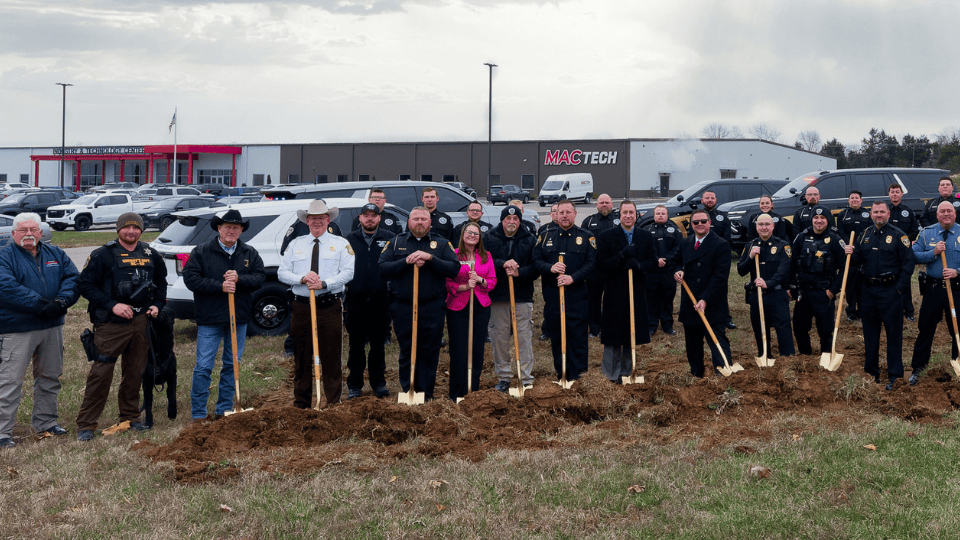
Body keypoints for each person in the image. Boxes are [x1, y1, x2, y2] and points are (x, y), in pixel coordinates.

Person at [76, 212, 167, 441]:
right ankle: (86, 424)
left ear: (141, 230)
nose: (131, 232)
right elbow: (85, 285)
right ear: (118, 230)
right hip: (111, 323)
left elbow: (161, 283)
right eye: (126, 227)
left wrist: (157, 305)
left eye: (136, 228)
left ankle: (130, 417)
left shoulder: (150, 254)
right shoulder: (102, 255)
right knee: (101, 373)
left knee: (135, 371)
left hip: (141, 322)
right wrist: (112, 305)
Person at [0, 213, 79, 448]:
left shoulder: (56, 254)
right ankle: (2, 431)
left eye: (33, 229)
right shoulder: (4, 256)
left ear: (40, 232)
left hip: (52, 326)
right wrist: (40, 304)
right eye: (23, 230)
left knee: (50, 376)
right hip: (17, 329)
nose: (29, 234)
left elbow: (73, 278)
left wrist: (62, 301)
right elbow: (6, 287)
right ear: (13, 233)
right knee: (10, 381)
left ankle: (46, 422)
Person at [182, 209, 266, 422]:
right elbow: (191, 279)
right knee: (204, 366)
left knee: (232, 364)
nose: (231, 231)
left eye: (236, 227)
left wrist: (240, 279)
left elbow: (259, 278)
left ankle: (224, 409)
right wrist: (220, 286)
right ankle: (199, 413)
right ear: (219, 228)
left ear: (241, 230)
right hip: (210, 318)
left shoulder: (249, 253)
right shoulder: (201, 251)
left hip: (238, 317)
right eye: (227, 227)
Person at [278, 200, 355, 408]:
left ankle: (333, 402)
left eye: (321, 218)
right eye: (313, 219)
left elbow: (348, 272)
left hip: (329, 305)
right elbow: (282, 272)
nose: (317, 222)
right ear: (307, 221)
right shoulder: (295, 244)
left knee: (331, 355)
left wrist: (325, 283)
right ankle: (301, 403)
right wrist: (302, 279)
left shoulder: (341, 244)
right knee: (301, 356)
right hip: (302, 306)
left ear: (328, 220)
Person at [379, 207, 459, 401]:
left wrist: (430, 258)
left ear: (430, 222)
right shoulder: (396, 242)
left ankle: (426, 393)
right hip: (404, 306)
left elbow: (453, 269)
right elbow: (382, 269)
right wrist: (406, 262)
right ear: (409, 222)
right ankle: (409, 390)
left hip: (432, 306)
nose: (420, 222)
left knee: (429, 350)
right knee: (407, 348)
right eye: (416, 219)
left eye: (424, 219)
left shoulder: (441, 243)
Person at [845, 201, 915, 391]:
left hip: (890, 291)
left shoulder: (899, 236)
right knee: (870, 334)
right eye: (875, 212)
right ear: (871, 214)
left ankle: (895, 375)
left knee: (894, 335)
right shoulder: (864, 235)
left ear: (888, 214)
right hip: (868, 292)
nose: (879, 215)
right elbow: (857, 260)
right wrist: (850, 253)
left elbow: (908, 265)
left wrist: (898, 288)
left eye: (882, 212)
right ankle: (871, 373)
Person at [533, 200, 596, 382]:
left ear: (575, 214)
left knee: (578, 336)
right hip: (553, 295)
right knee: (557, 335)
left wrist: (573, 278)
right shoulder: (545, 236)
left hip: (577, 295)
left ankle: (579, 376)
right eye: (561, 213)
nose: (565, 216)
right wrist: (550, 267)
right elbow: (536, 260)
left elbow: (591, 263)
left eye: (568, 212)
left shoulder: (586, 237)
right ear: (556, 215)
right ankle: (562, 374)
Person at [596, 201, 655, 383]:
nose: (628, 216)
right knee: (613, 333)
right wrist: (621, 256)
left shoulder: (645, 236)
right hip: (615, 291)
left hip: (636, 291)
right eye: (625, 212)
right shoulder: (606, 236)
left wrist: (638, 265)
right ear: (619, 215)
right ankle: (610, 374)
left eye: (631, 212)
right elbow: (601, 264)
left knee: (632, 331)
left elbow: (653, 262)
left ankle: (628, 371)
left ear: (636, 215)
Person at [672, 210, 732, 377]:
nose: (700, 224)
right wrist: (677, 270)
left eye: (703, 221)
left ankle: (723, 372)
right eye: (696, 222)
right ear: (691, 225)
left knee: (716, 338)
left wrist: (705, 299)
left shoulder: (721, 244)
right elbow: (675, 260)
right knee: (692, 341)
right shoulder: (686, 242)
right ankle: (696, 373)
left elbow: (720, 276)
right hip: (690, 300)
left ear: (709, 223)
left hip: (712, 300)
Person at [344, 203, 395, 398]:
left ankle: (378, 383)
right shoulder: (349, 240)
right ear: (360, 218)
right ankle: (354, 385)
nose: (370, 219)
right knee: (356, 345)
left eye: (374, 215)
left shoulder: (390, 239)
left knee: (378, 345)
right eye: (366, 215)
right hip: (355, 300)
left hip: (380, 300)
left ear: (379, 218)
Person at [486, 205, 538, 393]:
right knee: (499, 338)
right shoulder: (489, 237)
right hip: (498, 296)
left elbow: (536, 266)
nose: (511, 222)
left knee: (523, 338)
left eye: (515, 219)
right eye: (508, 219)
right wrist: (502, 264)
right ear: (502, 220)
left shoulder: (529, 239)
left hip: (521, 296)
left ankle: (525, 377)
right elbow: (485, 262)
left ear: (520, 221)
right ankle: (504, 377)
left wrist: (519, 273)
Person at [908, 202, 960, 385]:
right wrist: (933, 252)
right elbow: (914, 255)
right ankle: (918, 368)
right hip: (933, 290)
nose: (946, 214)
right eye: (942, 211)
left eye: (949, 211)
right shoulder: (926, 233)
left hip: (957, 289)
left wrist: (957, 271)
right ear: (937, 215)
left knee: (958, 329)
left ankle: (957, 364)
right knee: (926, 329)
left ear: (955, 213)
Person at [445, 223, 496, 400]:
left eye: (476, 233)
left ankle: (473, 390)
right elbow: (447, 282)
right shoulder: (453, 254)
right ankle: (457, 392)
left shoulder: (486, 256)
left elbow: (492, 281)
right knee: (459, 349)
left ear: (480, 237)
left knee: (477, 349)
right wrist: (466, 286)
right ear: (463, 234)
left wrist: (480, 280)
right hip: (458, 307)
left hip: (480, 307)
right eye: (469, 232)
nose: (472, 235)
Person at [788, 205, 846, 356]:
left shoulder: (835, 240)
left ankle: (826, 358)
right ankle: (805, 357)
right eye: (816, 217)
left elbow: (844, 269)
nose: (819, 221)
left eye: (822, 218)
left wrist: (833, 291)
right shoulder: (801, 238)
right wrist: (791, 285)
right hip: (804, 292)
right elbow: (792, 264)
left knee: (825, 330)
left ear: (828, 220)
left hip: (824, 293)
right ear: (811, 219)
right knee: (799, 328)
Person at [737, 214, 795, 358]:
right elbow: (741, 271)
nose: (764, 227)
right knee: (760, 329)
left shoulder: (783, 246)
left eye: (767, 224)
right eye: (761, 224)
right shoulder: (750, 246)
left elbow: (782, 272)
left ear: (773, 226)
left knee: (783, 329)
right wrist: (750, 257)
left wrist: (767, 284)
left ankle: (787, 359)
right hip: (757, 296)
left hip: (777, 296)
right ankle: (765, 357)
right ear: (756, 227)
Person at [580, 193, 619, 337]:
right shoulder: (588, 221)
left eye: (607, 202)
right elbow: (583, 246)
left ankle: (610, 326)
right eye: (601, 202)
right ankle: (594, 328)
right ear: (597, 205)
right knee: (594, 299)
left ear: (612, 204)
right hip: (595, 269)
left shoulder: (619, 220)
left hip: (614, 268)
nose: (604, 205)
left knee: (612, 298)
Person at [643, 205, 682, 336]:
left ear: (667, 215)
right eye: (658, 213)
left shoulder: (675, 230)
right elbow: (644, 249)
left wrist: (667, 259)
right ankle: (651, 325)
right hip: (652, 271)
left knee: (667, 298)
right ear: (654, 215)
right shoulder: (646, 230)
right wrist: (656, 259)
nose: (660, 215)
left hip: (668, 270)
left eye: (663, 214)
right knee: (651, 298)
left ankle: (667, 325)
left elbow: (678, 248)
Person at [836, 190, 872, 321]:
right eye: (852, 198)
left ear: (861, 200)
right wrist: (848, 245)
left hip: (864, 252)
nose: (854, 200)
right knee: (850, 284)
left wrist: (861, 245)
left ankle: (863, 310)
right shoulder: (843, 215)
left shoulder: (868, 214)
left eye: (857, 198)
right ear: (849, 200)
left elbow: (870, 231)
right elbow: (840, 232)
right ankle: (851, 311)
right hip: (849, 253)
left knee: (863, 284)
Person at [888, 183, 920, 320]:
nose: (895, 194)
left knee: (905, 280)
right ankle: (893, 310)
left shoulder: (908, 211)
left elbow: (914, 230)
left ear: (901, 194)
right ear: (889, 194)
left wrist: (905, 241)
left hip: (904, 251)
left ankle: (909, 311)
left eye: (897, 192)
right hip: (888, 251)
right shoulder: (885, 211)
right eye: (892, 192)